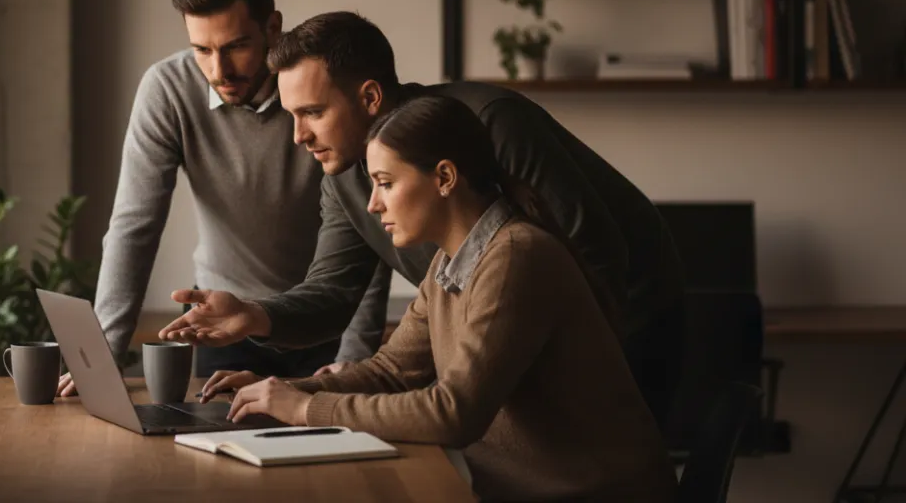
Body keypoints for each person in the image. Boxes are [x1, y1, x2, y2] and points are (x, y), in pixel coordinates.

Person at [158, 11, 686, 427]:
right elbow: (333, 295)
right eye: (292, 115)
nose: (297, 137)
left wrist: (544, 375)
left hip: (631, 322)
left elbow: (596, 255)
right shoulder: (346, 178)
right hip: (513, 357)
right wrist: (256, 316)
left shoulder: (487, 126)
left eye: (312, 113)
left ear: (368, 97)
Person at [206, 95, 679, 501]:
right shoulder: (448, 264)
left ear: (445, 177)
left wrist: (305, 410)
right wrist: (278, 393)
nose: (373, 204)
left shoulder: (516, 257)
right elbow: (391, 372)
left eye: (386, 183)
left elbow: (454, 414)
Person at [59, 0, 389, 395]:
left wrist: (355, 354)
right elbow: (134, 227)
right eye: (202, 50)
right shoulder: (168, 90)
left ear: (273, 28)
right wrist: (101, 358)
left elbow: (369, 226)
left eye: (235, 46)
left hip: (325, 321)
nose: (219, 71)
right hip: (223, 318)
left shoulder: (320, 87)